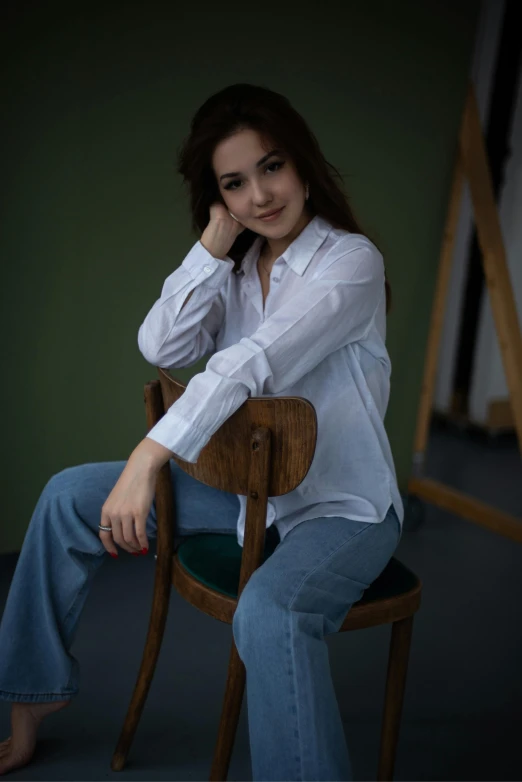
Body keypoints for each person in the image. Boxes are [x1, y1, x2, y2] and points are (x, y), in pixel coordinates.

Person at [0, 83, 403, 780]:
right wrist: (213, 248)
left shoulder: (350, 264)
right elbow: (160, 340)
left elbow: (254, 361)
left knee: (269, 615)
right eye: (234, 183)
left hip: (341, 507)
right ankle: (30, 702)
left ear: (302, 164)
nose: (260, 196)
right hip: (250, 498)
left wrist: (148, 456)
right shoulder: (239, 263)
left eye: (271, 167)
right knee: (70, 495)